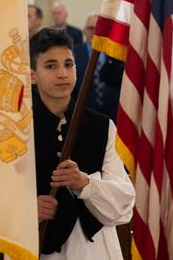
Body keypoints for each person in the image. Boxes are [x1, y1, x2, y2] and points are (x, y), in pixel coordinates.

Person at [30, 28, 135, 259]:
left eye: (68, 64)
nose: (62, 73)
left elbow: (124, 206)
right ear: (32, 75)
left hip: (94, 250)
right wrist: (26, 210)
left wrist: (84, 183)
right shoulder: (19, 130)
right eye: (51, 66)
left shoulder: (102, 126)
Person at [71, 13, 123, 120]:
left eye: (98, 28)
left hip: (112, 112)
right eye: (90, 28)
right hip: (83, 112)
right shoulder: (74, 52)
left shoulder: (115, 52)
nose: (94, 32)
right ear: (84, 31)